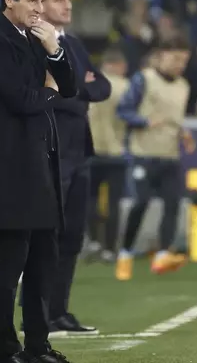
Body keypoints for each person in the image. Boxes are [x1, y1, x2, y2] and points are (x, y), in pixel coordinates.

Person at [0, 0, 77, 362]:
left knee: (43, 262)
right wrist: (47, 88)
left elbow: (70, 88)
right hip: (11, 168)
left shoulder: (34, 37)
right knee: (10, 262)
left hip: (40, 165)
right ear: (8, 1)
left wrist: (55, 52)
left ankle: (37, 346)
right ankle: (5, 350)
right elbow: (24, 101)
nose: (39, 7)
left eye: (41, 0)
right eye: (31, 0)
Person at [16, 0, 111, 336]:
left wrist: (75, 88)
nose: (67, 6)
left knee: (71, 237)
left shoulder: (72, 43)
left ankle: (59, 312)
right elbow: (58, 95)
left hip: (79, 150)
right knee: (45, 236)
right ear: (41, 4)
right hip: (51, 149)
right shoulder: (35, 44)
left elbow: (101, 86)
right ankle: (35, 315)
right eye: (59, 0)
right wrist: (75, 89)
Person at [114, 35, 196, 282]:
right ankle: (125, 254)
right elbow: (123, 111)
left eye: (184, 60)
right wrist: (145, 121)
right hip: (143, 153)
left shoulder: (184, 86)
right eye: (175, 59)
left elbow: (174, 119)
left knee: (173, 203)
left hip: (170, 154)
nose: (180, 65)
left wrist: (183, 133)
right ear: (161, 57)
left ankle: (162, 254)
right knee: (141, 202)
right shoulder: (144, 79)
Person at [85, 47, 130, 263]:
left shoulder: (88, 84)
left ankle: (94, 241)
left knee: (89, 198)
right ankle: (110, 249)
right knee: (113, 203)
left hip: (90, 150)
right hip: (116, 152)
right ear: (120, 66)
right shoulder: (125, 87)